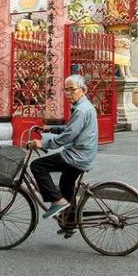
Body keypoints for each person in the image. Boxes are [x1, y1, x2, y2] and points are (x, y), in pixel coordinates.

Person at [29, 74, 98, 220]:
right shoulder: (83, 106)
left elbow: (68, 136)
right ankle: (70, 220)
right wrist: (52, 129)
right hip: (84, 155)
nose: (68, 93)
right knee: (66, 184)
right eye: (65, 90)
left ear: (83, 90)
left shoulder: (81, 110)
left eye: (72, 89)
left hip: (77, 156)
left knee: (37, 166)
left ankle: (58, 201)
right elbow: (71, 129)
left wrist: (44, 143)